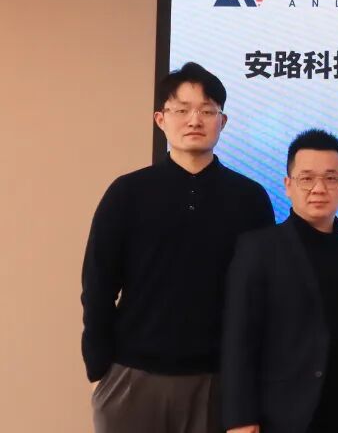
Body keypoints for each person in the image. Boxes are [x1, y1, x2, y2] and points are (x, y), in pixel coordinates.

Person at [81, 62, 275, 433]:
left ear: (223, 121)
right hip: (133, 376)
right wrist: (98, 369)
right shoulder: (127, 193)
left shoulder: (250, 199)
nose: (194, 120)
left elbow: (262, 298)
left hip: (217, 381)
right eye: (182, 110)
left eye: (207, 111)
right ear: (161, 119)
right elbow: (98, 284)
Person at [221, 129, 338, 433]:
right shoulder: (259, 249)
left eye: (331, 178)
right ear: (288, 185)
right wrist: (240, 419)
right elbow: (239, 339)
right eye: (306, 178)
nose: (319, 188)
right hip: (283, 416)